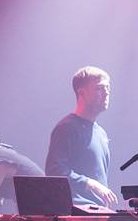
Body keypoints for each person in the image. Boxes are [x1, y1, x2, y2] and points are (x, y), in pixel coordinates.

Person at [45, 66, 117, 209]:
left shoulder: (101, 132)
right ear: (81, 93)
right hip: (76, 212)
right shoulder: (67, 127)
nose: (106, 93)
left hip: (97, 212)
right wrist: (89, 183)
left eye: (108, 88)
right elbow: (55, 171)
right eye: (100, 88)